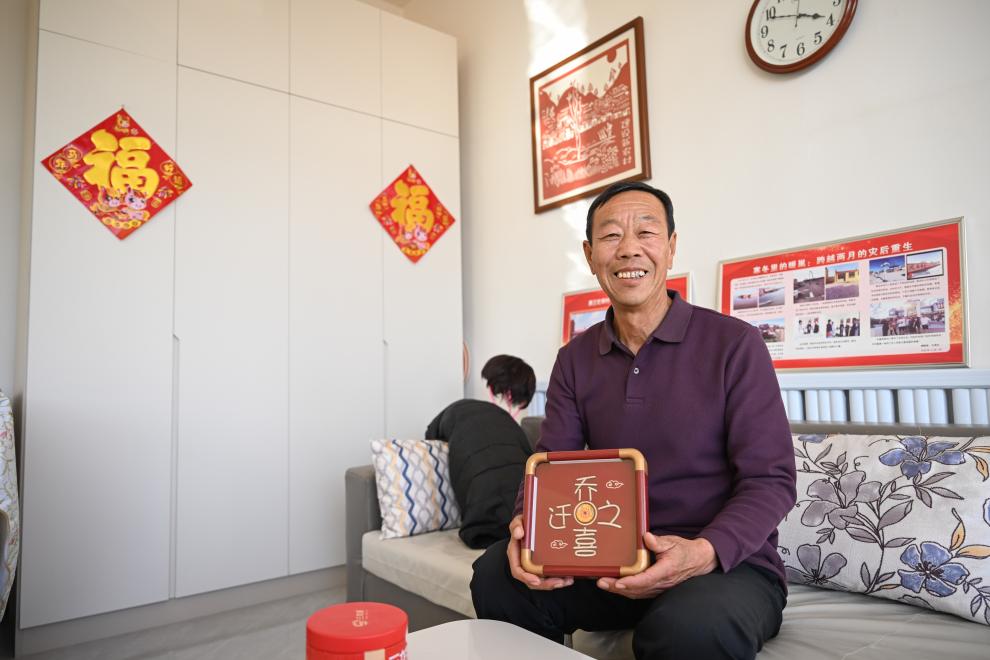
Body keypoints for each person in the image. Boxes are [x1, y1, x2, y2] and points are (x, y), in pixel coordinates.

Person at [470, 181, 796, 660]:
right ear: (590, 255)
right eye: (610, 236)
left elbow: (771, 480)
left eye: (646, 232)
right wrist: (528, 529)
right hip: (607, 555)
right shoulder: (574, 359)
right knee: (496, 575)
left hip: (723, 566)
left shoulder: (735, 345)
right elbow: (549, 464)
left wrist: (701, 552)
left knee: (690, 629)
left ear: (671, 247)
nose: (628, 249)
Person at [426, 355, 537, 549]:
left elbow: (430, 435)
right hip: (526, 522)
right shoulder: (517, 432)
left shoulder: (458, 414)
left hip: (484, 525)